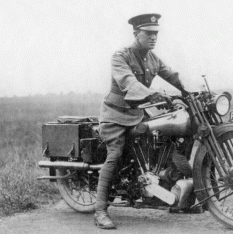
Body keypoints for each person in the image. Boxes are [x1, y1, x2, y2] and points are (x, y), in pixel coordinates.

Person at [94, 13, 188, 229]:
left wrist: (188, 92)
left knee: (166, 136)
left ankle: (165, 191)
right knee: (115, 154)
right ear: (136, 33)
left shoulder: (152, 57)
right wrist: (151, 94)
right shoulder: (121, 56)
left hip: (138, 114)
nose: (153, 37)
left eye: (155, 33)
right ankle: (100, 211)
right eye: (148, 33)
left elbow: (171, 75)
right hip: (116, 116)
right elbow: (129, 82)